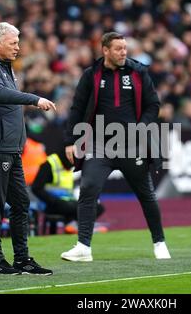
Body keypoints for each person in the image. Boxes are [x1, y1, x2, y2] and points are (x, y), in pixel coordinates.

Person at [61, 32, 171, 261]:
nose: (124, 52)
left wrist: (142, 126)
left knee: (146, 195)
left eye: (125, 48)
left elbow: (153, 105)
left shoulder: (139, 72)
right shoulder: (91, 75)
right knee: (88, 189)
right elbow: (77, 109)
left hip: (132, 146)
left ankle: (159, 243)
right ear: (105, 50)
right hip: (100, 146)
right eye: (118, 48)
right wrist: (70, 141)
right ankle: (83, 246)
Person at [0, 22, 56, 275]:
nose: (18, 47)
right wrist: (34, 99)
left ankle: (22, 259)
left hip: (10, 148)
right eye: (13, 43)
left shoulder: (4, 68)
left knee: (21, 205)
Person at [31, 149, 105, 233]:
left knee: (98, 207)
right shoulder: (49, 164)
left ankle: (75, 226)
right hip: (50, 203)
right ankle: (81, 226)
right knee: (73, 207)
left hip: (68, 201)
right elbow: (36, 188)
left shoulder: (70, 165)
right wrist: (54, 201)